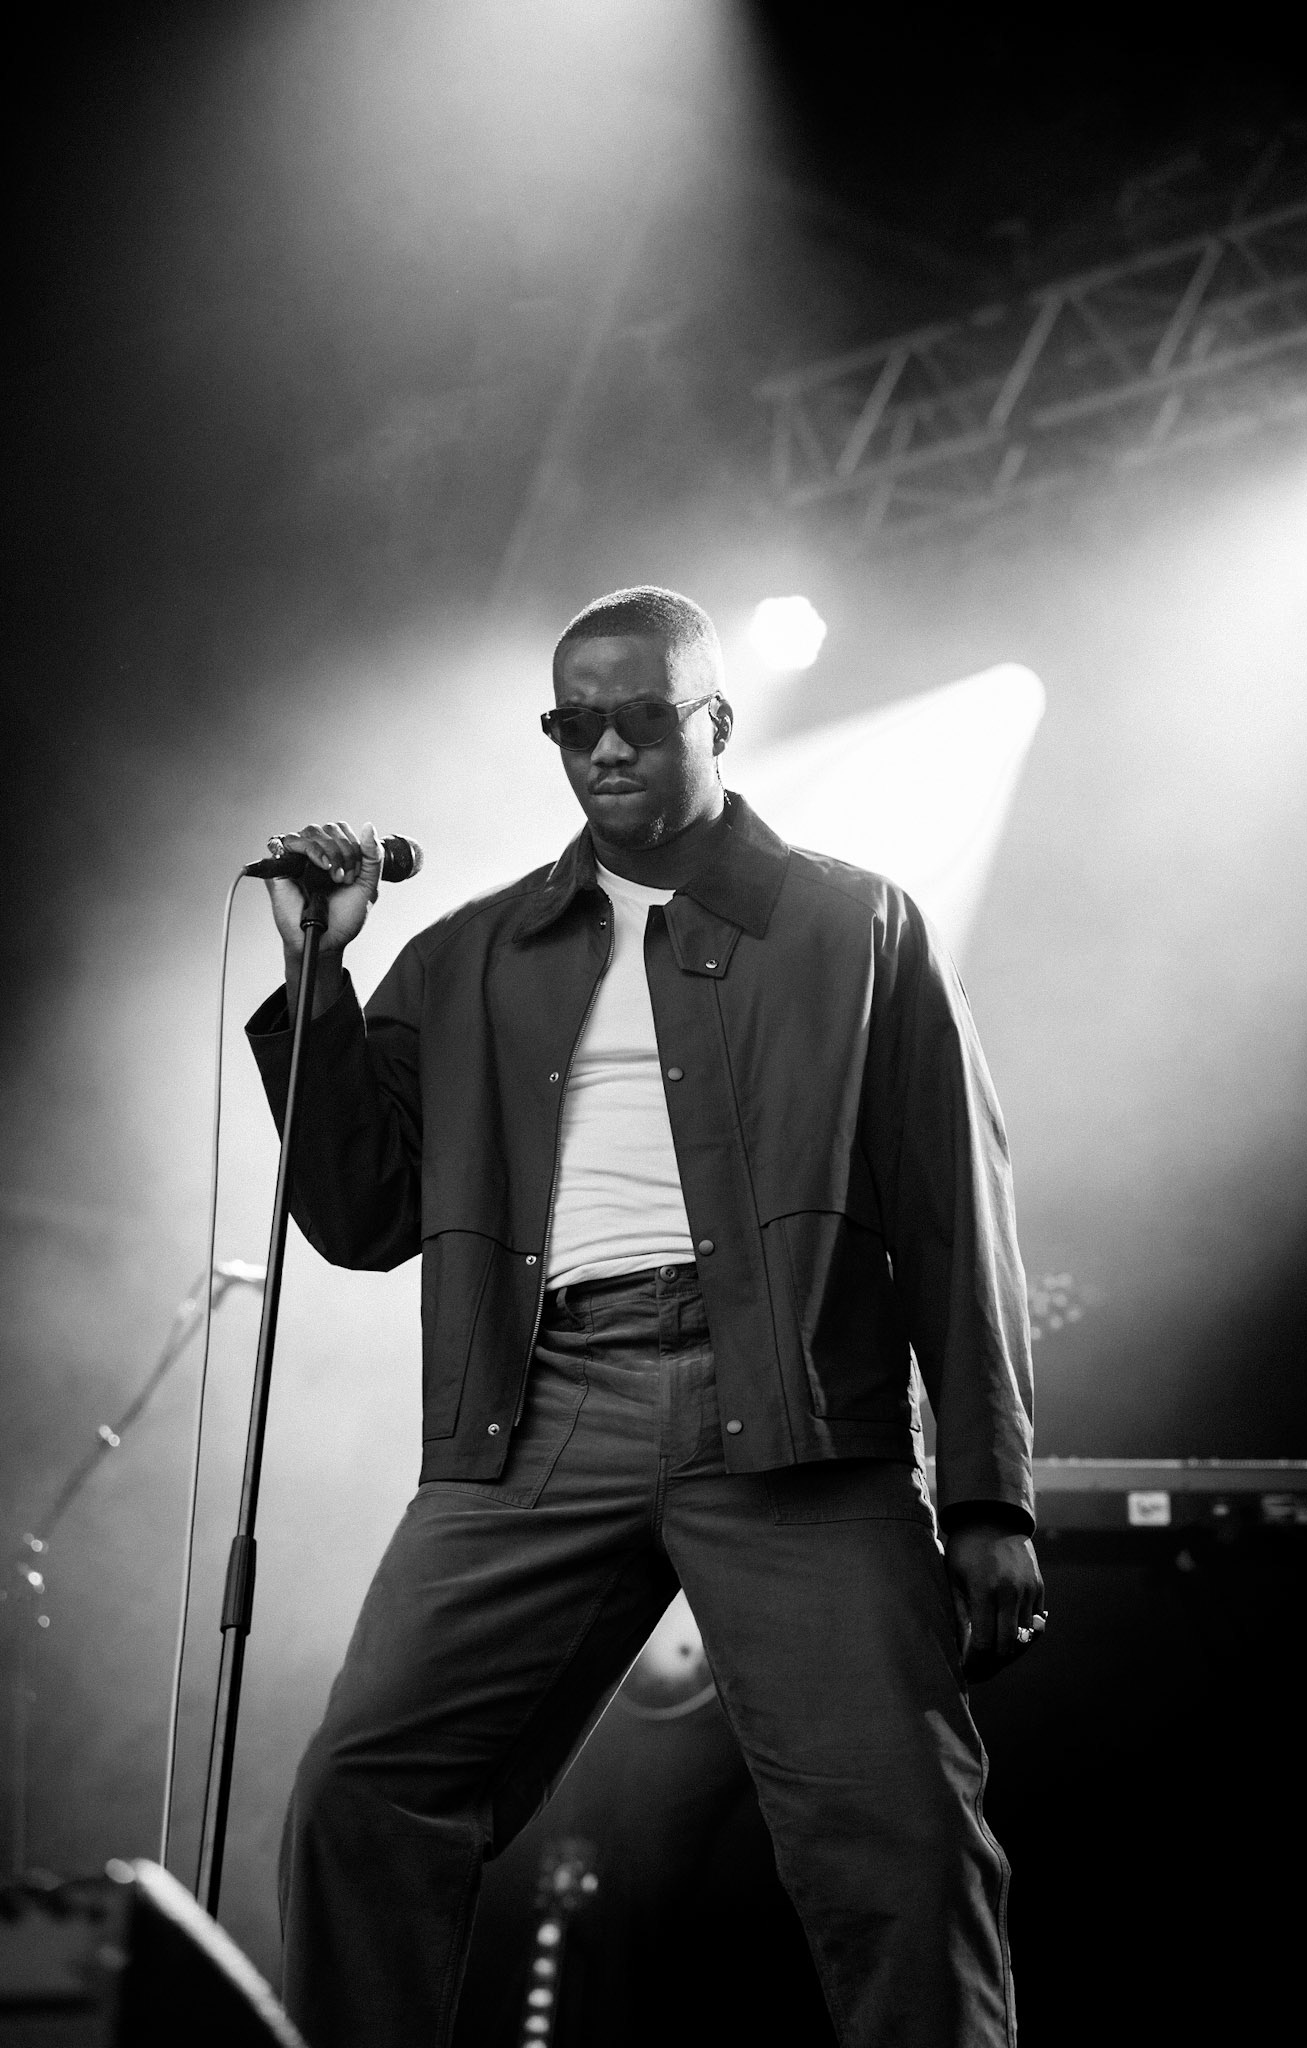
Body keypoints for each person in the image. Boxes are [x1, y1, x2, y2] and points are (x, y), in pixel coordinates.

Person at [247, 585, 1044, 2048]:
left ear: (715, 723)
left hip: (792, 1406)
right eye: (570, 721)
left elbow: (950, 1215)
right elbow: (361, 1217)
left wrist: (990, 1493)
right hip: (542, 1408)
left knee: (903, 1841)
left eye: (636, 715)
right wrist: (318, 972)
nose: (599, 746)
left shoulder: (854, 922)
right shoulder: (472, 954)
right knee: (364, 1789)